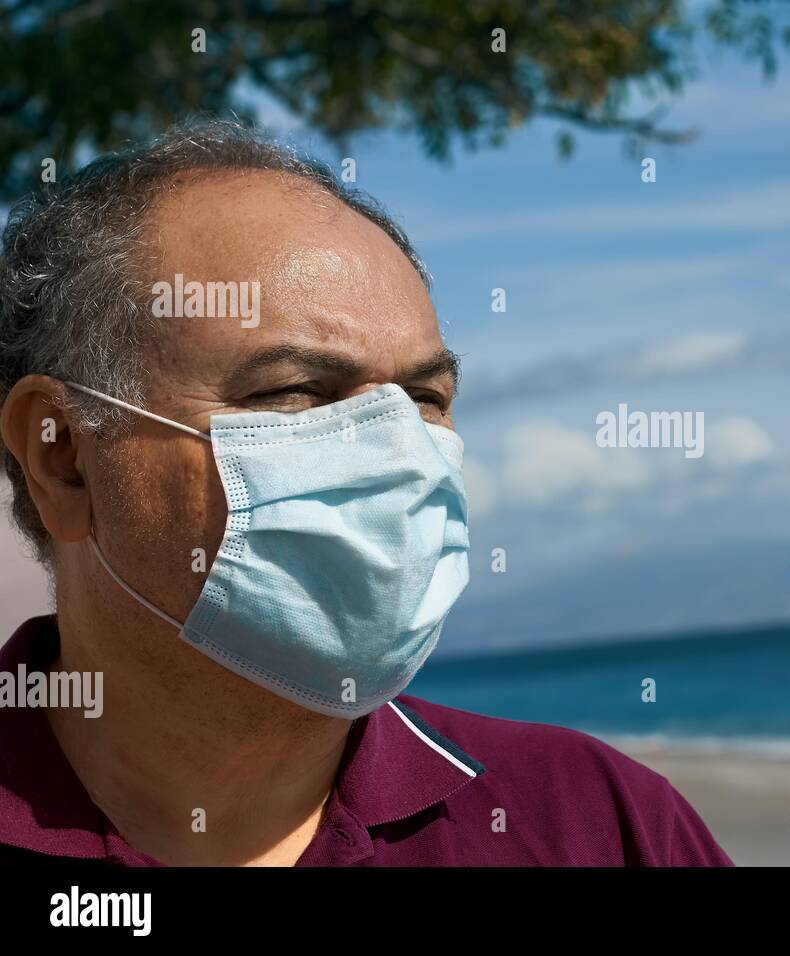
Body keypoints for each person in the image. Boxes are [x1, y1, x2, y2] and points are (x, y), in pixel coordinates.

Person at [0, 120, 734, 867]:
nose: (397, 453)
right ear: (63, 458)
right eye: (295, 390)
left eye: (424, 397)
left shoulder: (603, 824)